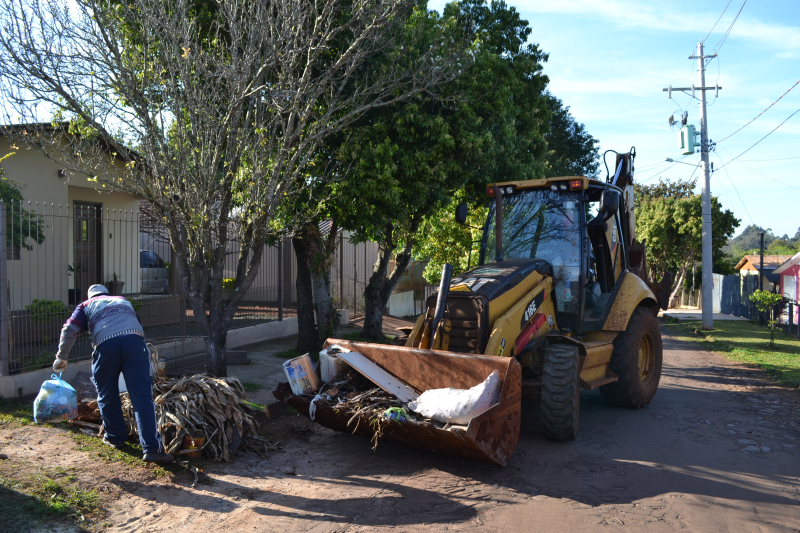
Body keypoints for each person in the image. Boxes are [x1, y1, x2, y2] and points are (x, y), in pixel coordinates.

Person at [53, 284, 173, 463]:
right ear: (107, 293)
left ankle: (115, 437)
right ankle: (152, 449)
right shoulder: (123, 301)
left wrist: (62, 357)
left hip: (106, 346)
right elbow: (138, 325)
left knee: (107, 393)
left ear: (90, 296)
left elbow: (70, 330)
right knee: (142, 397)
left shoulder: (86, 306)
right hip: (135, 344)